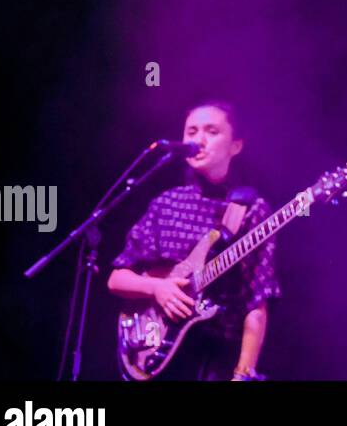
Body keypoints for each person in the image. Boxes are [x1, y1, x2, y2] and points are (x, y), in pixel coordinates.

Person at [107, 101, 280, 380]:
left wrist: (242, 373)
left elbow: (257, 303)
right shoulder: (166, 203)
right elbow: (116, 279)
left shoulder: (251, 209)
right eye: (191, 131)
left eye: (212, 131)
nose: (198, 139)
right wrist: (156, 288)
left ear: (235, 146)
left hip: (216, 357)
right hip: (159, 353)